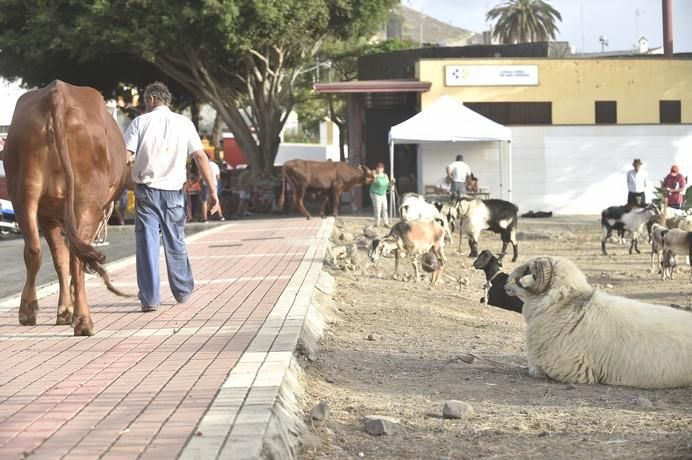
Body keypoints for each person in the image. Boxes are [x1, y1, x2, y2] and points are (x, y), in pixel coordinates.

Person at [124, 81, 220, 312]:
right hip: (175, 193)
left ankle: (150, 299)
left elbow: (124, 155)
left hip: (146, 192)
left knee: (147, 244)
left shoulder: (140, 122)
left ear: (150, 100)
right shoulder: (184, 123)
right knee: (175, 240)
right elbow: (200, 156)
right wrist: (214, 191)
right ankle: (183, 290)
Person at [369, 162, 390, 227]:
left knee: (385, 208)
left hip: (383, 193)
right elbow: (371, 181)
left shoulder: (385, 175)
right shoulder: (374, 175)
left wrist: (391, 183)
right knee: (378, 208)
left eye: (380, 168)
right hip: (375, 193)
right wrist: (374, 176)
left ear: (383, 169)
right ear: (376, 169)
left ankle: (386, 223)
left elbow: (388, 184)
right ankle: (377, 223)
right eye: (378, 168)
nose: (379, 169)